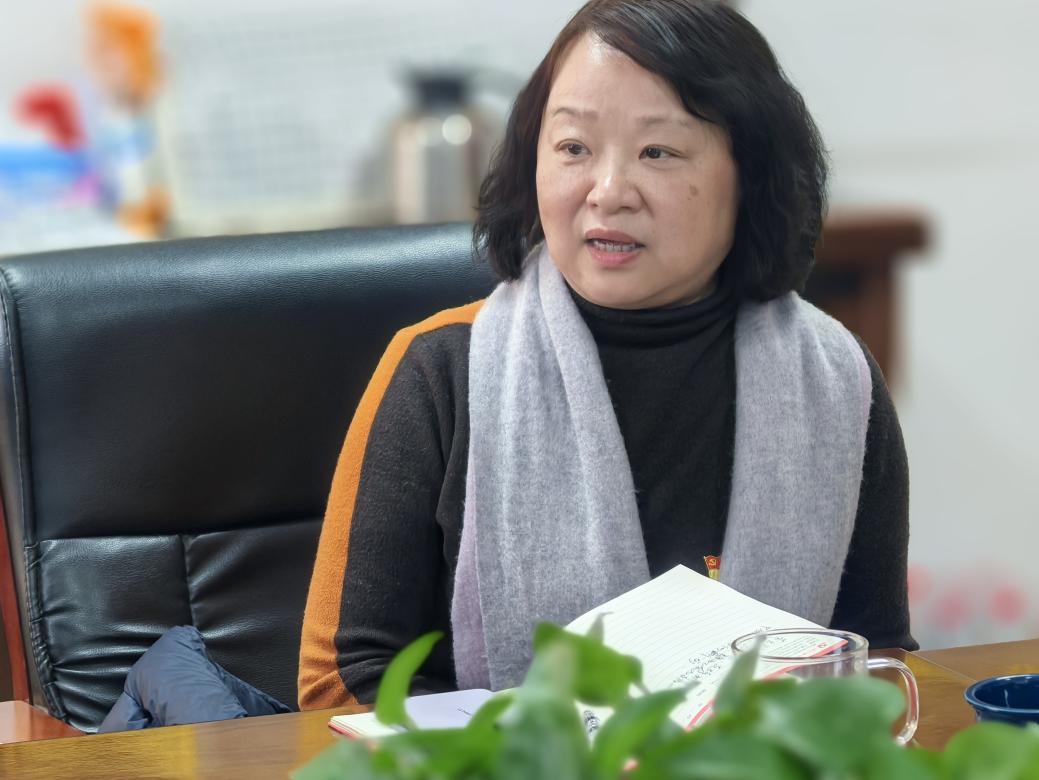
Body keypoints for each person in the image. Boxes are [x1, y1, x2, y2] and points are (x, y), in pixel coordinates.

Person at [298, 0, 916, 709]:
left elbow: (877, 664)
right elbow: (342, 680)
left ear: (751, 174)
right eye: (573, 148)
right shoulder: (440, 370)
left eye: (658, 152)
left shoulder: (835, 380)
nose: (608, 192)